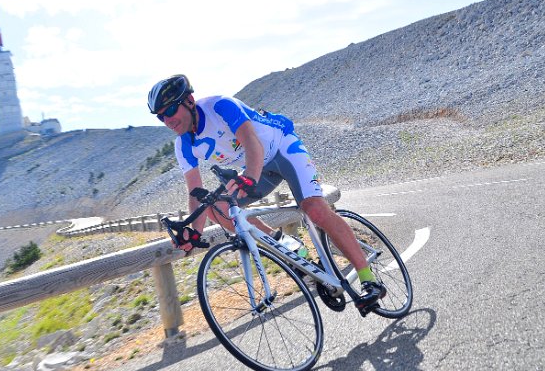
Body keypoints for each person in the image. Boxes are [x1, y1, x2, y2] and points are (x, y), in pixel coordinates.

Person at [147, 74, 385, 304]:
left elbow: (252, 142)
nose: (167, 120)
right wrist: (194, 232)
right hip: (258, 168)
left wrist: (249, 176)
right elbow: (195, 193)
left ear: (189, 101)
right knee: (216, 208)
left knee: (315, 210)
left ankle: (368, 280)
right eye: (160, 117)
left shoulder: (220, 106)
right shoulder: (183, 145)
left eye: (170, 110)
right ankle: (285, 244)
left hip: (283, 150)